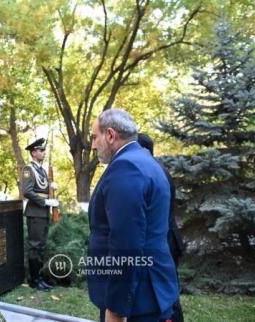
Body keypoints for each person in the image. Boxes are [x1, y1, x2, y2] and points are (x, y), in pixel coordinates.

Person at [88, 109, 178, 322]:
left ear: (110, 135)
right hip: (150, 287)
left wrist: (116, 307)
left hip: (136, 299)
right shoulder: (145, 161)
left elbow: (126, 243)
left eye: (94, 137)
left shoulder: (126, 168)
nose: (92, 145)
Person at [137, 133, 184, 322]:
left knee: (165, 296)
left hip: (163, 241)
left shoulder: (152, 172)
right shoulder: (157, 170)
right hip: (168, 238)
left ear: (143, 149)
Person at [22, 138, 58, 291]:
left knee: (41, 246)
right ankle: (34, 280)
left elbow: (43, 188)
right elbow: (27, 191)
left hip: (43, 213)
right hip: (36, 212)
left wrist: (51, 186)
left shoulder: (42, 170)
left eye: (44, 150)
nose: (43, 152)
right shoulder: (28, 169)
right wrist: (45, 203)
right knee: (35, 246)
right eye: (41, 150)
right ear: (33, 152)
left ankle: (39, 277)